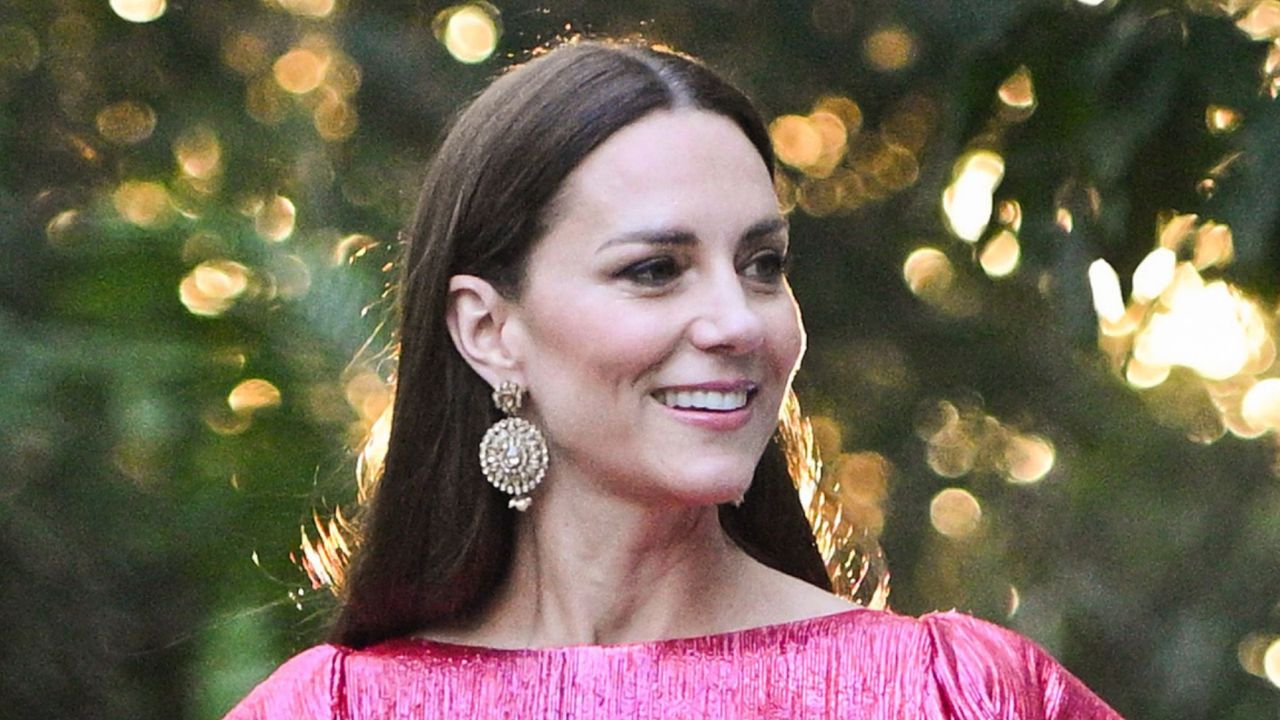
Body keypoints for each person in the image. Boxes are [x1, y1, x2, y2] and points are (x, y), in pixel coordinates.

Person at [225, 40, 1123, 719]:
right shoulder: (332, 708)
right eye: (655, 269)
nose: (738, 322)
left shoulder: (955, 696)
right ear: (491, 331)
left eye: (764, 264)